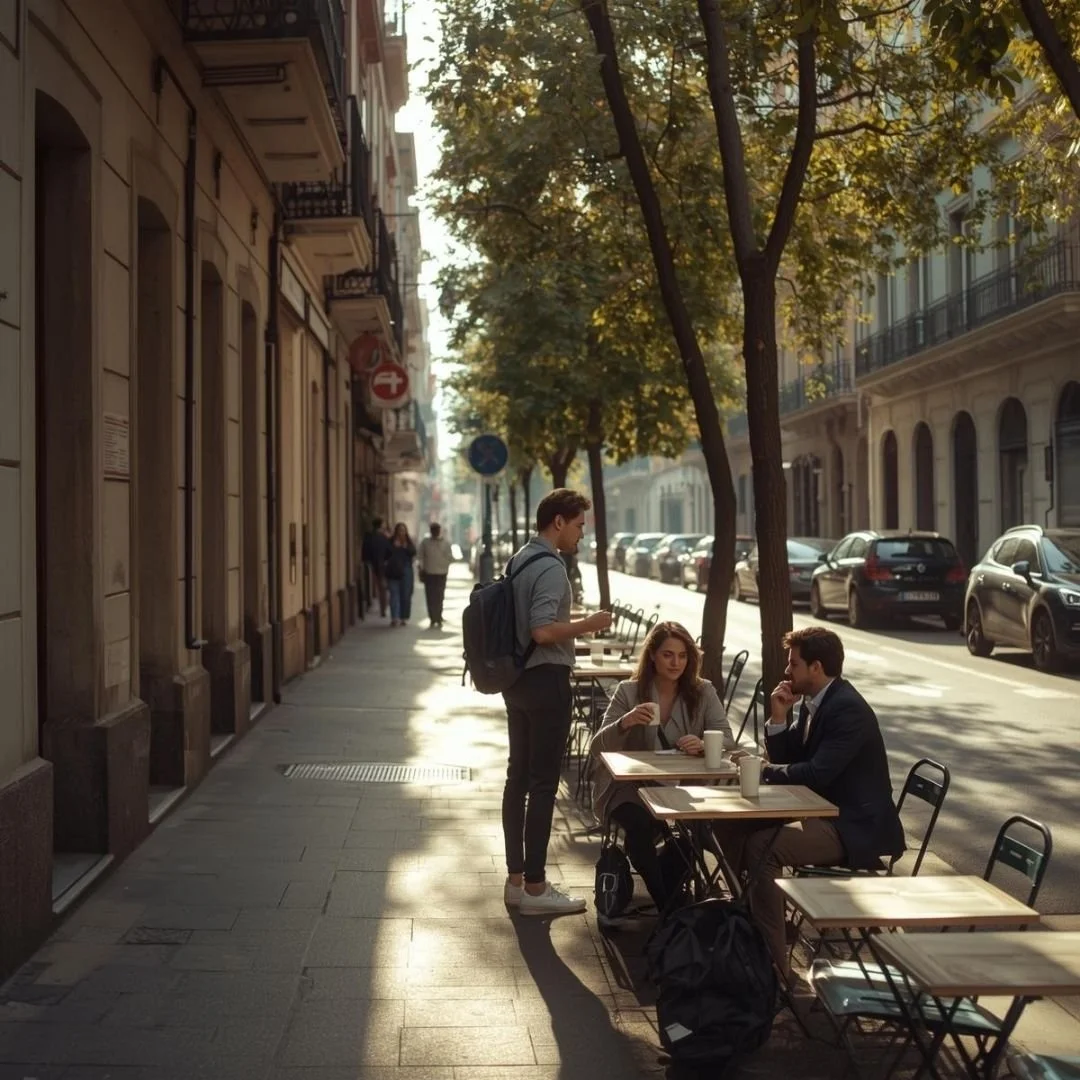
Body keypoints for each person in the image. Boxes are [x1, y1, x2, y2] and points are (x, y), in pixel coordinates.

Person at [714, 626, 904, 982]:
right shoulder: (817, 702)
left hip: (852, 827)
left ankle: (774, 966)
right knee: (727, 822)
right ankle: (755, 917)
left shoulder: (846, 709)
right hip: (820, 810)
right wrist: (780, 717)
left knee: (761, 848)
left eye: (794, 664)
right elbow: (798, 761)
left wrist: (765, 771)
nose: (787, 671)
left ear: (816, 668)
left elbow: (814, 774)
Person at [502, 488, 613, 916]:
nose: (582, 534)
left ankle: (516, 879)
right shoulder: (550, 567)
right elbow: (542, 631)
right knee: (544, 784)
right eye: (580, 524)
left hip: (517, 681)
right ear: (559, 523)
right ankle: (535, 887)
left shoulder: (519, 558)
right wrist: (589, 623)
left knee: (518, 779)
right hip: (546, 680)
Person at [591, 621, 734, 909]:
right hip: (629, 788)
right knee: (640, 825)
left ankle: (670, 899)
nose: (676, 662)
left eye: (683, 655)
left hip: (684, 788)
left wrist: (705, 744)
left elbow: (727, 739)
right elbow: (597, 747)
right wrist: (625, 722)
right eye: (668, 654)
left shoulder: (702, 691)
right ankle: (668, 907)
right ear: (653, 655)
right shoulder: (629, 692)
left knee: (691, 837)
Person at [417, 522, 454, 628]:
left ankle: (439, 616)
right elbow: (420, 556)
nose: (435, 532)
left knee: (440, 595)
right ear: (431, 531)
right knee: (430, 596)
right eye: (433, 530)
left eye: (437, 530)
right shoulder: (425, 542)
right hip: (429, 573)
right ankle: (433, 617)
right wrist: (421, 568)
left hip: (442, 572)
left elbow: (450, 556)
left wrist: (445, 563)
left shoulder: (445, 542)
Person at [384, 522, 416, 628]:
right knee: (394, 594)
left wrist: (405, 547)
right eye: (399, 530)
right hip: (393, 571)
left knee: (405, 595)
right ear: (396, 531)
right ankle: (395, 618)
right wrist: (395, 547)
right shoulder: (390, 542)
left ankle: (404, 617)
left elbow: (413, 552)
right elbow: (386, 555)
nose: (401, 532)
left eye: (403, 530)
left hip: (406, 570)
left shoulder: (408, 542)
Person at [362, 518, 391, 618]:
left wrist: (367, 561)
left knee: (380, 587)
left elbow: (365, 551)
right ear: (381, 525)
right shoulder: (384, 537)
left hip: (372, 565)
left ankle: (382, 608)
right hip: (383, 565)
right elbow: (389, 551)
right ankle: (383, 609)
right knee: (384, 588)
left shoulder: (368, 536)